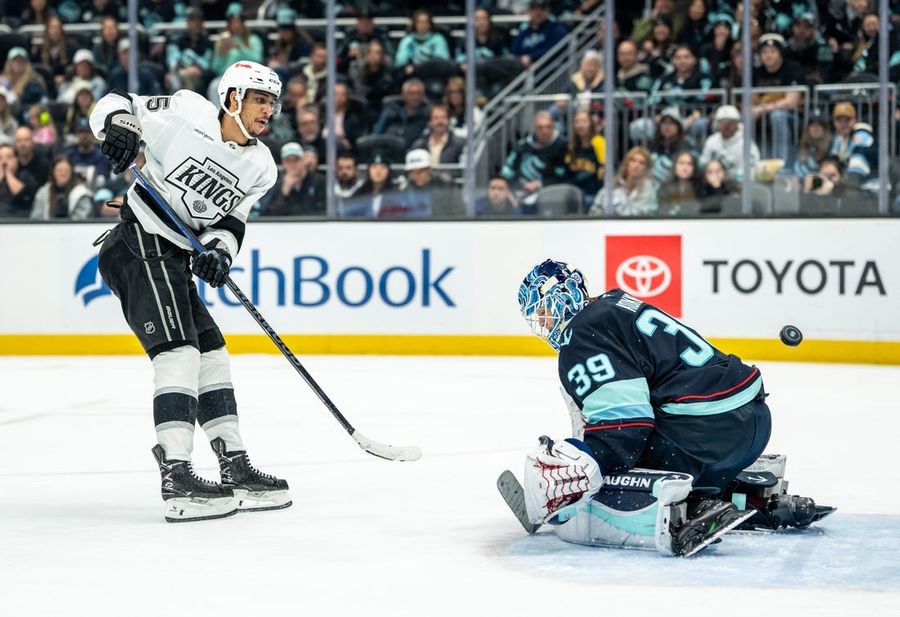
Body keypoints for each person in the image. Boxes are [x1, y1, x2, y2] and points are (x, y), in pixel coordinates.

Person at [512, 260, 834, 555]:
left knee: (610, 468)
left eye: (542, 312)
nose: (541, 323)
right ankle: (745, 497)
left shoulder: (581, 334)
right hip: (752, 421)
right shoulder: (614, 305)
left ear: (561, 299)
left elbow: (625, 427)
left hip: (707, 432)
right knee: (634, 443)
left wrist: (585, 465)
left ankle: (683, 511)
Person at [89, 60, 291, 522]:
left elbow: (231, 221)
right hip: (138, 241)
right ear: (233, 98)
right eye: (260, 99)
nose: (268, 110)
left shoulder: (261, 165)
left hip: (174, 256)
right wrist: (119, 126)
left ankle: (234, 465)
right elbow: (117, 103)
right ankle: (177, 474)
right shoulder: (185, 114)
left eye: (272, 102)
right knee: (178, 352)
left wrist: (219, 252)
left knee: (212, 352)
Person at [260, 142, 326, 216]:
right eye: (288, 161)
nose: (292, 164)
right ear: (283, 164)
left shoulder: (319, 181)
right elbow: (269, 214)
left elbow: (323, 210)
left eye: (296, 160)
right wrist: (284, 193)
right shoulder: (275, 184)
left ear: (303, 160)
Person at [589, 146, 657, 217]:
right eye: (633, 160)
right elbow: (596, 209)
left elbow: (645, 215)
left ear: (646, 168)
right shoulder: (613, 185)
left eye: (641, 163)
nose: (636, 165)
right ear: (627, 163)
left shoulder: (649, 190)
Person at [701, 105, 760, 182]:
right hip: (715, 184)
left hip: (740, 185)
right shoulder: (711, 141)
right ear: (717, 124)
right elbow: (705, 163)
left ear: (737, 124)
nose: (727, 126)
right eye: (723, 122)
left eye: (730, 122)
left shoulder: (747, 144)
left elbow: (753, 168)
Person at [30, 155, 94, 219]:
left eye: (66, 171)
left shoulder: (81, 193)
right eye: (59, 170)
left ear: (71, 173)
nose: (63, 173)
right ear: (53, 172)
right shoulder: (43, 193)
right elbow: (36, 217)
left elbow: (82, 219)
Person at [510, 0, 568, 68]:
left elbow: (555, 49)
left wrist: (531, 57)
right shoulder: (524, 32)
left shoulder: (556, 29)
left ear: (548, 11)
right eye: (534, 8)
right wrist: (522, 59)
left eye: (542, 8)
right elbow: (514, 51)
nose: (538, 11)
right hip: (523, 67)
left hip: (547, 68)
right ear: (528, 11)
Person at [394, 8, 450, 73]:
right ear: (414, 24)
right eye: (419, 22)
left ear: (430, 24)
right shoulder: (407, 40)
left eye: (425, 22)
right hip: (413, 74)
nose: (422, 25)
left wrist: (421, 67)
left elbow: (442, 60)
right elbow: (400, 62)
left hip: (433, 74)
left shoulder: (438, 39)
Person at [657, 150, 702, 216]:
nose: (685, 168)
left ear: (694, 168)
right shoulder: (664, 188)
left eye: (689, 164)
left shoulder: (701, 188)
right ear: (675, 166)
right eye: (681, 163)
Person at [0, 143, 37, 217]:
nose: (4, 162)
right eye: (0, 158)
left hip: (18, 221)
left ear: (16, 160)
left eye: (9, 157)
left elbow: (20, 193)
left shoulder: (25, 176)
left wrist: (8, 173)